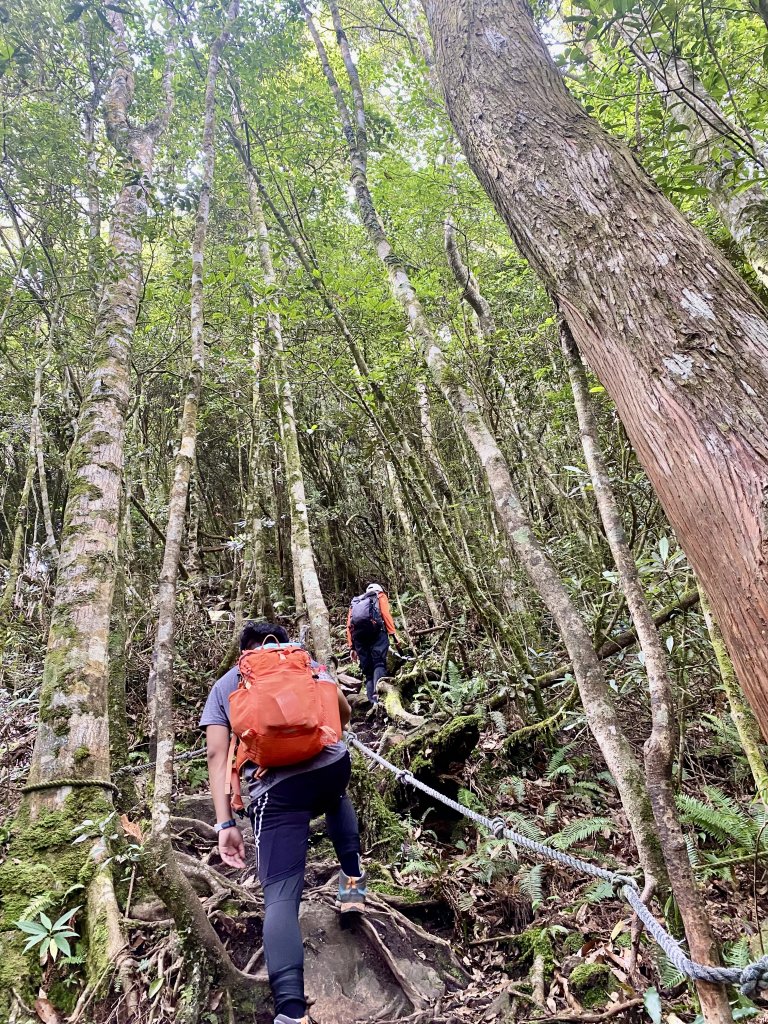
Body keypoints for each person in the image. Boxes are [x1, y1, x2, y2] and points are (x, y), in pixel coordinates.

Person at [201, 621, 366, 1024]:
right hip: (332, 767)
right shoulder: (307, 663)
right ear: (281, 642)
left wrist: (225, 825)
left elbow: (216, 756)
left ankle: (291, 1012)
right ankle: (353, 884)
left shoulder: (227, 683)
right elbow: (343, 710)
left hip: (276, 791)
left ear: (245, 651)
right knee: (335, 796)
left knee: (280, 896)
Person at [346, 582, 399, 704]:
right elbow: (385, 614)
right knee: (379, 663)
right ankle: (379, 698)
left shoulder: (356, 602)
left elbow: (349, 625)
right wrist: (393, 633)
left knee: (368, 671)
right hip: (377, 634)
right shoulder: (380, 596)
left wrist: (352, 647)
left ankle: (371, 702)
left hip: (359, 638)